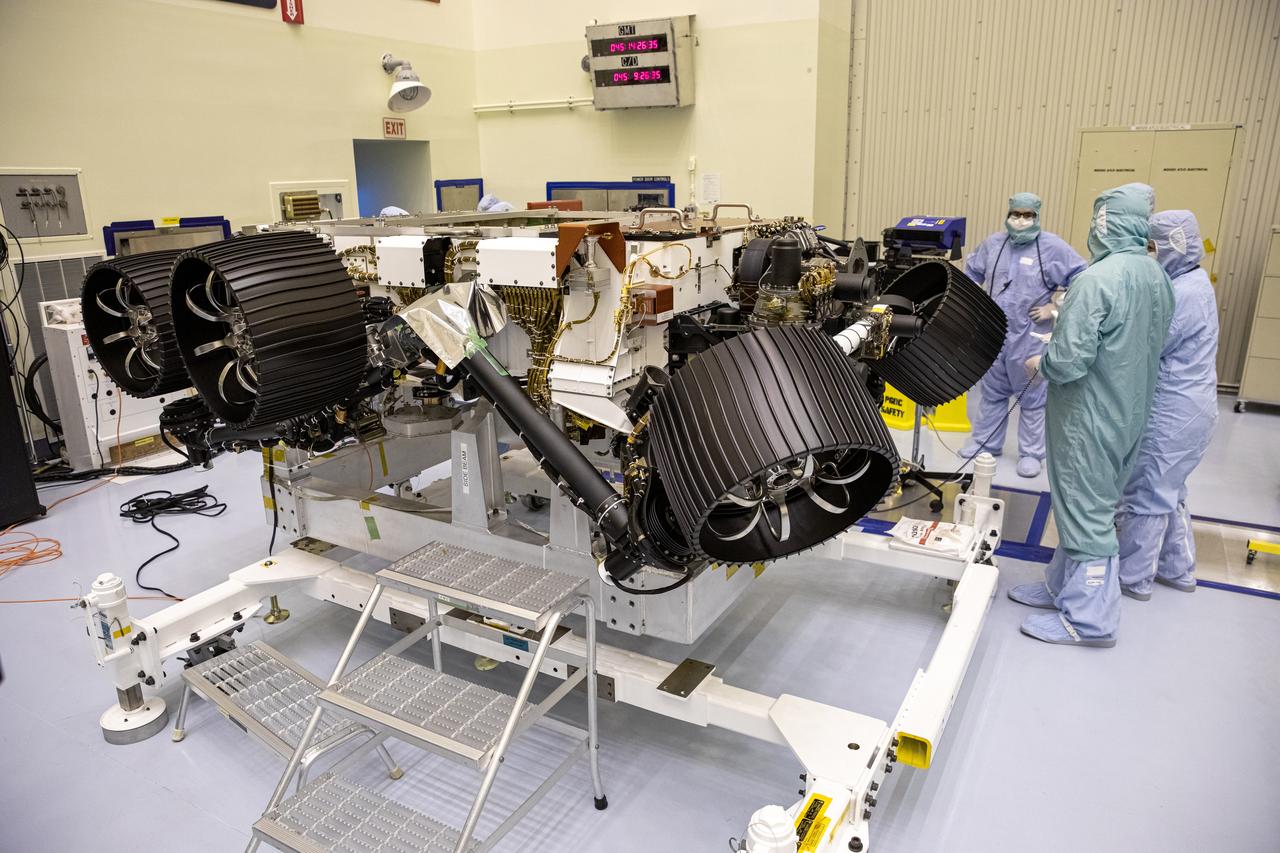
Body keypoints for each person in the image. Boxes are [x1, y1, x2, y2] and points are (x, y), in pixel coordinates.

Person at [1009, 182, 1173, 647]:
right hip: (1128, 408)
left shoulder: (1096, 280)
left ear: (1104, 222)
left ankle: (1089, 620)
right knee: (1087, 502)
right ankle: (1063, 586)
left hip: (1089, 412)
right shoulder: (1153, 273)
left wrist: (1044, 362)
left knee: (1087, 507)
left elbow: (1071, 359)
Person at [1115, 210, 1218, 599]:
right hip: (1192, 407)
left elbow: (1150, 342)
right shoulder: (1193, 282)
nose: (1148, 253)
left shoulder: (1184, 292)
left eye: (1152, 246)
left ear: (1175, 245)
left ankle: (1133, 578)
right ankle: (1178, 569)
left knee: (1147, 494)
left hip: (1175, 409)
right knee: (1169, 492)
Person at [962, 192, 1087, 477]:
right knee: (992, 393)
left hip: (1031, 336)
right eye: (1015, 214)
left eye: (1027, 215)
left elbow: (1081, 277)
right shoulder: (994, 244)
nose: (1020, 220)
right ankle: (986, 443)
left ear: (1037, 216)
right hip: (995, 333)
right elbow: (971, 276)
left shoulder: (1052, 247)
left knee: (1031, 397)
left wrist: (1054, 306)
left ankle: (1031, 453)